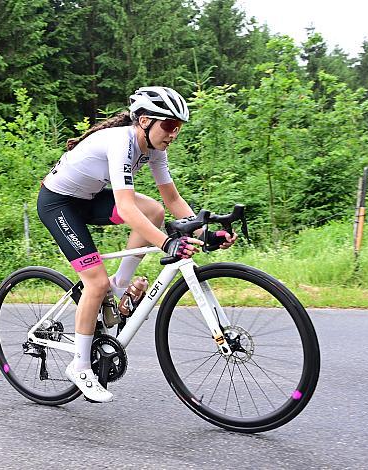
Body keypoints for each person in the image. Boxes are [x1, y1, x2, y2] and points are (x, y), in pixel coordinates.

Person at [37, 86, 237, 402]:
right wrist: (168, 243)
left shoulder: (156, 150)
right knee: (95, 282)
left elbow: (171, 199)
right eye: (169, 126)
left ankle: (121, 284)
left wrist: (205, 234)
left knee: (154, 209)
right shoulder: (121, 142)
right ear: (144, 120)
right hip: (58, 204)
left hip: (88, 199)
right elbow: (127, 209)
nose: (173, 134)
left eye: (178, 128)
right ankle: (79, 365)